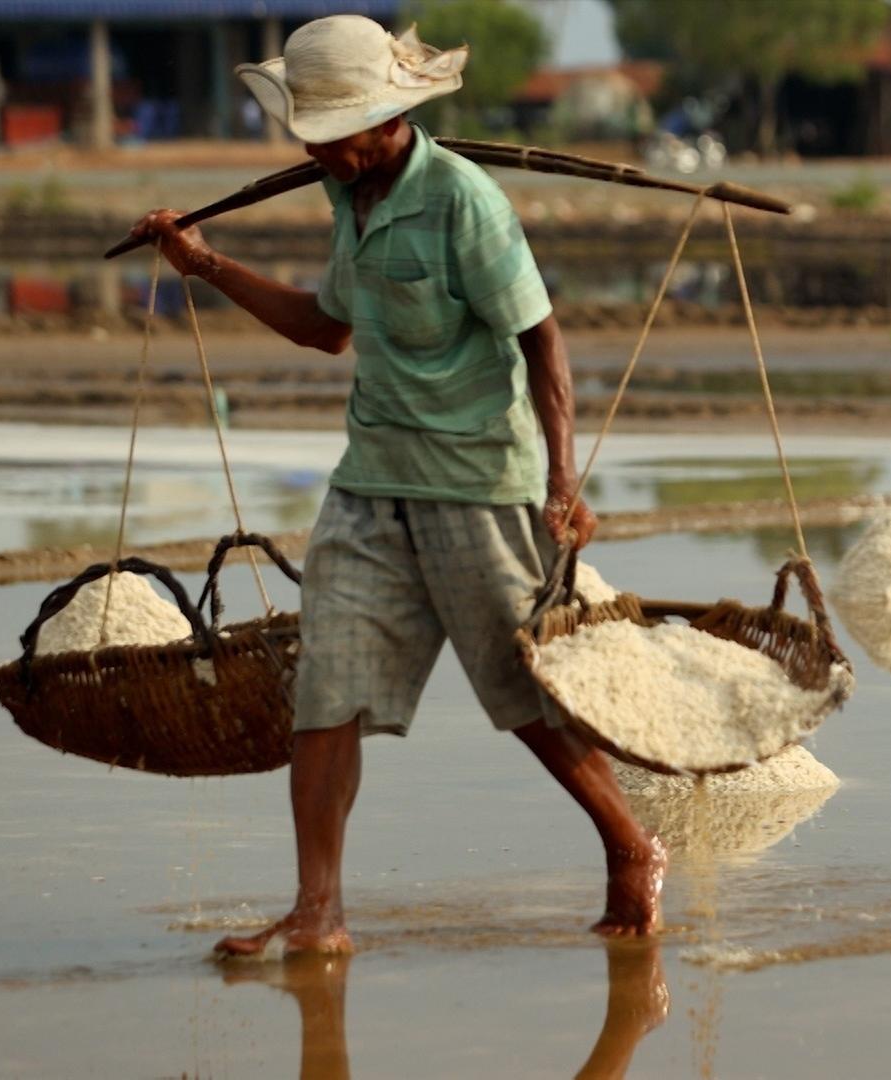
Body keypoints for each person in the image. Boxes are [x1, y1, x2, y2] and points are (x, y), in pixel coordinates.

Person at [128, 15, 664, 955]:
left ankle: (629, 842)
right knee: (327, 691)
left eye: (336, 133)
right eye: (311, 134)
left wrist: (563, 482)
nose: (319, 150)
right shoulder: (350, 195)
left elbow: (542, 342)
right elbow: (327, 327)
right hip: (370, 479)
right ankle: (317, 911)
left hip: (476, 482)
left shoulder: (465, 201)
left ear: (388, 124)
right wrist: (202, 264)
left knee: (518, 687)